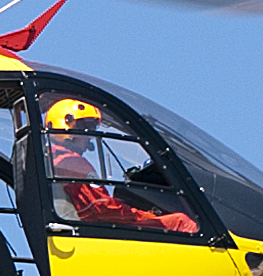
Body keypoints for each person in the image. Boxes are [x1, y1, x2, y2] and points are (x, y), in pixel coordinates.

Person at [44, 97, 198, 234]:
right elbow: (102, 208)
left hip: (92, 229)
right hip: (100, 231)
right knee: (181, 222)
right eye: (87, 128)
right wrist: (145, 215)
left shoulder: (54, 160)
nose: (90, 138)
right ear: (69, 126)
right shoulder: (71, 162)